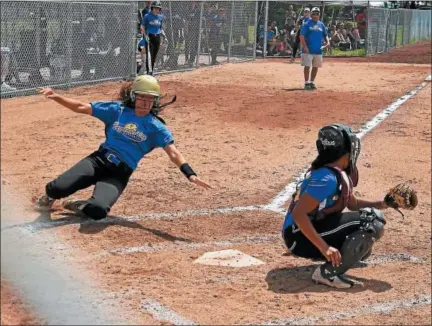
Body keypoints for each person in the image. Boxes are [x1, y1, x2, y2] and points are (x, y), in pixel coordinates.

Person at [34, 75, 212, 219]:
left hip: (119, 173)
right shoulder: (117, 110)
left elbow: (173, 153)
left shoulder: (156, 127)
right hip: (98, 160)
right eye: (142, 97)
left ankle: (80, 205)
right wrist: (55, 96)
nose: (145, 102)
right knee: (56, 188)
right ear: (134, 96)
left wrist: (190, 174)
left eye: (150, 98)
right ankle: (49, 198)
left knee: (98, 211)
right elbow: (81, 107)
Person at [282, 124, 388, 289]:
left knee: (363, 247)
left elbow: (352, 204)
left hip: (303, 231)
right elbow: (298, 214)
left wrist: (383, 203)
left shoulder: (334, 172)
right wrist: (325, 248)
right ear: (343, 152)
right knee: (372, 222)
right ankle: (327, 273)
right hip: (298, 236)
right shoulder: (327, 179)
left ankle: (330, 255)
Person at [299, 7, 330, 90]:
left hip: (318, 50)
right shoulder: (307, 24)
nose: (316, 15)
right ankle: (306, 83)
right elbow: (301, 36)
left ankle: (312, 82)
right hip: (308, 49)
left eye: (317, 13)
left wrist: (328, 41)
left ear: (319, 15)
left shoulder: (321, 24)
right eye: (314, 13)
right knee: (307, 66)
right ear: (311, 14)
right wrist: (305, 46)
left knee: (316, 67)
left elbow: (325, 34)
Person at [141, 1, 166, 75]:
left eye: (158, 9)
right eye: (155, 8)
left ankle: (151, 70)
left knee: (154, 55)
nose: (157, 10)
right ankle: (149, 71)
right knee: (149, 54)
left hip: (157, 36)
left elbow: (160, 28)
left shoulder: (160, 17)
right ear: (152, 8)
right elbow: (142, 27)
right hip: (149, 36)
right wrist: (145, 36)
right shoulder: (147, 16)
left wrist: (163, 36)